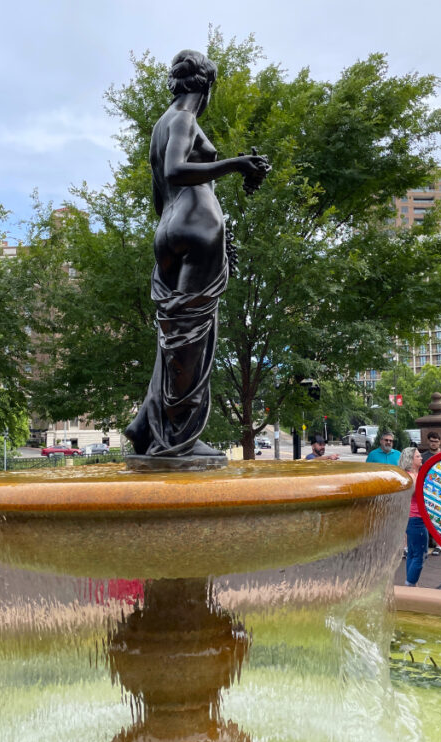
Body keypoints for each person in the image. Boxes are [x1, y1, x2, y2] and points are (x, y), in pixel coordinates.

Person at [125, 49, 270, 458]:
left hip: (169, 228)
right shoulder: (184, 119)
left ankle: (145, 426)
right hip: (198, 228)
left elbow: (160, 191)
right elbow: (175, 170)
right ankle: (178, 436)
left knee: (173, 332)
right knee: (189, 337)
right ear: (207, 87)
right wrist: (237, 164)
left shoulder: (161, 124)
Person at [399, 446, 427, 585]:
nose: (421, 458)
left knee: (412, 553)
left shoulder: (413, 475)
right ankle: (410, 583)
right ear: (410, 460)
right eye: (418, 456)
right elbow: (416, 493)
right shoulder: (411, 477)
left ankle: (410, 583)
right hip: (416, 518)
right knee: (420, 554)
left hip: (412, 517)